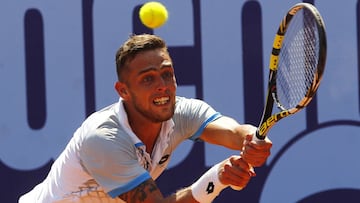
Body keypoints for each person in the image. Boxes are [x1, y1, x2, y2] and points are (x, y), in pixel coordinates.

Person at [19, 34, 272, 203]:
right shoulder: (103, 138)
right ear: (123, 91)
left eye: (167, 74)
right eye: (148, 79)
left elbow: (233, 131)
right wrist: (217, 178)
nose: (162, 86)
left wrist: (251, 140)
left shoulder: (181, 112)